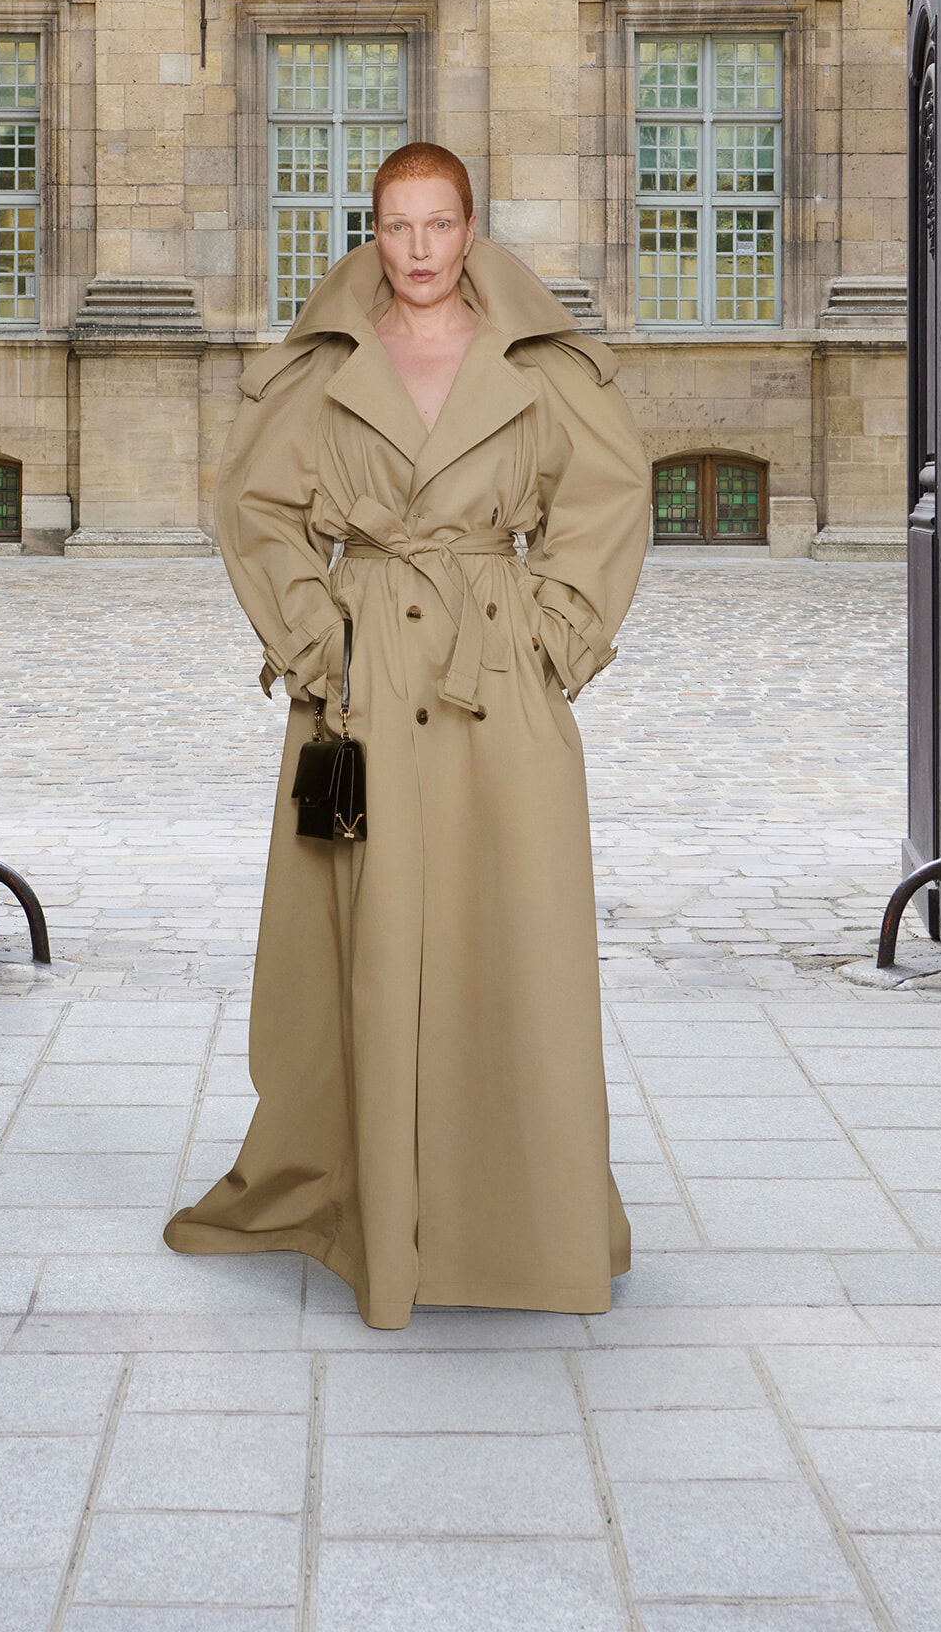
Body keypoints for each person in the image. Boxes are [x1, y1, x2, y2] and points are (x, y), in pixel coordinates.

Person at [164, 143, 650, 1329]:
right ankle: (374, 1214)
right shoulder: (326, 364)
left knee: (516, 941)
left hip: (499, 677)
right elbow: (254, 507)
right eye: (397, 225)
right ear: (372, 232)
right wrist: (317, 641)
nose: (420, 248)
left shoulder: (538, 362)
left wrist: (555, 635)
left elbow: (610, 494)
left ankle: (522, 1227)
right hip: (363, 681)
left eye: (440, 224)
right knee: (365, 952)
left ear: (471, 230)